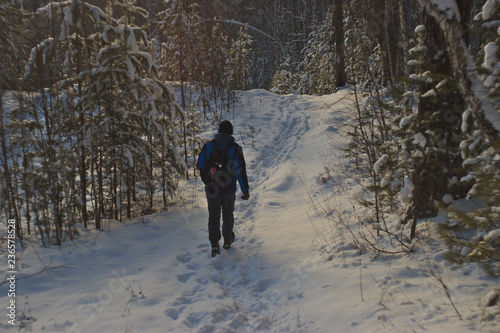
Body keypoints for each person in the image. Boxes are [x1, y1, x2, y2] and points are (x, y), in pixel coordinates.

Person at [197, 120, 250, 257]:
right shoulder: (235, 148)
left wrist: (207, 180)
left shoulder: (208, 146)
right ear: (230, 132)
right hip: (228, 188)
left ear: (219, 131)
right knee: (228, 213)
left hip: (211, 188)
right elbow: (240, 171)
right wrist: (245, 190)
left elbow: (200, 165)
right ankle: (227, 240)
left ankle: (214, 244)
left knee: (213, 215)